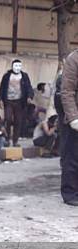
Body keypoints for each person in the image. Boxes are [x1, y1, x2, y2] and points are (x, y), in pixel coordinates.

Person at [0, 59, 34, 147]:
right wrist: (0, 100)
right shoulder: (7, 76)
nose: (17, 68)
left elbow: (29, 87)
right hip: (8, 100)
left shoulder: (24, 76)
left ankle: (15, 140)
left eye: (19, 66)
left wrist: (29, 96)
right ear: (12, 66)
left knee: (18, 121)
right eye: (15, 66)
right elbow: (2, 87)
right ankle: (7, 139)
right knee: (8, 119)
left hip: (20, 101)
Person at [60, 49, 78, 207]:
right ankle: (70, 193)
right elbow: (67, 91)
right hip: (76, 116)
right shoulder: (74, 59)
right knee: (72, 157)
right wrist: (73, 118)